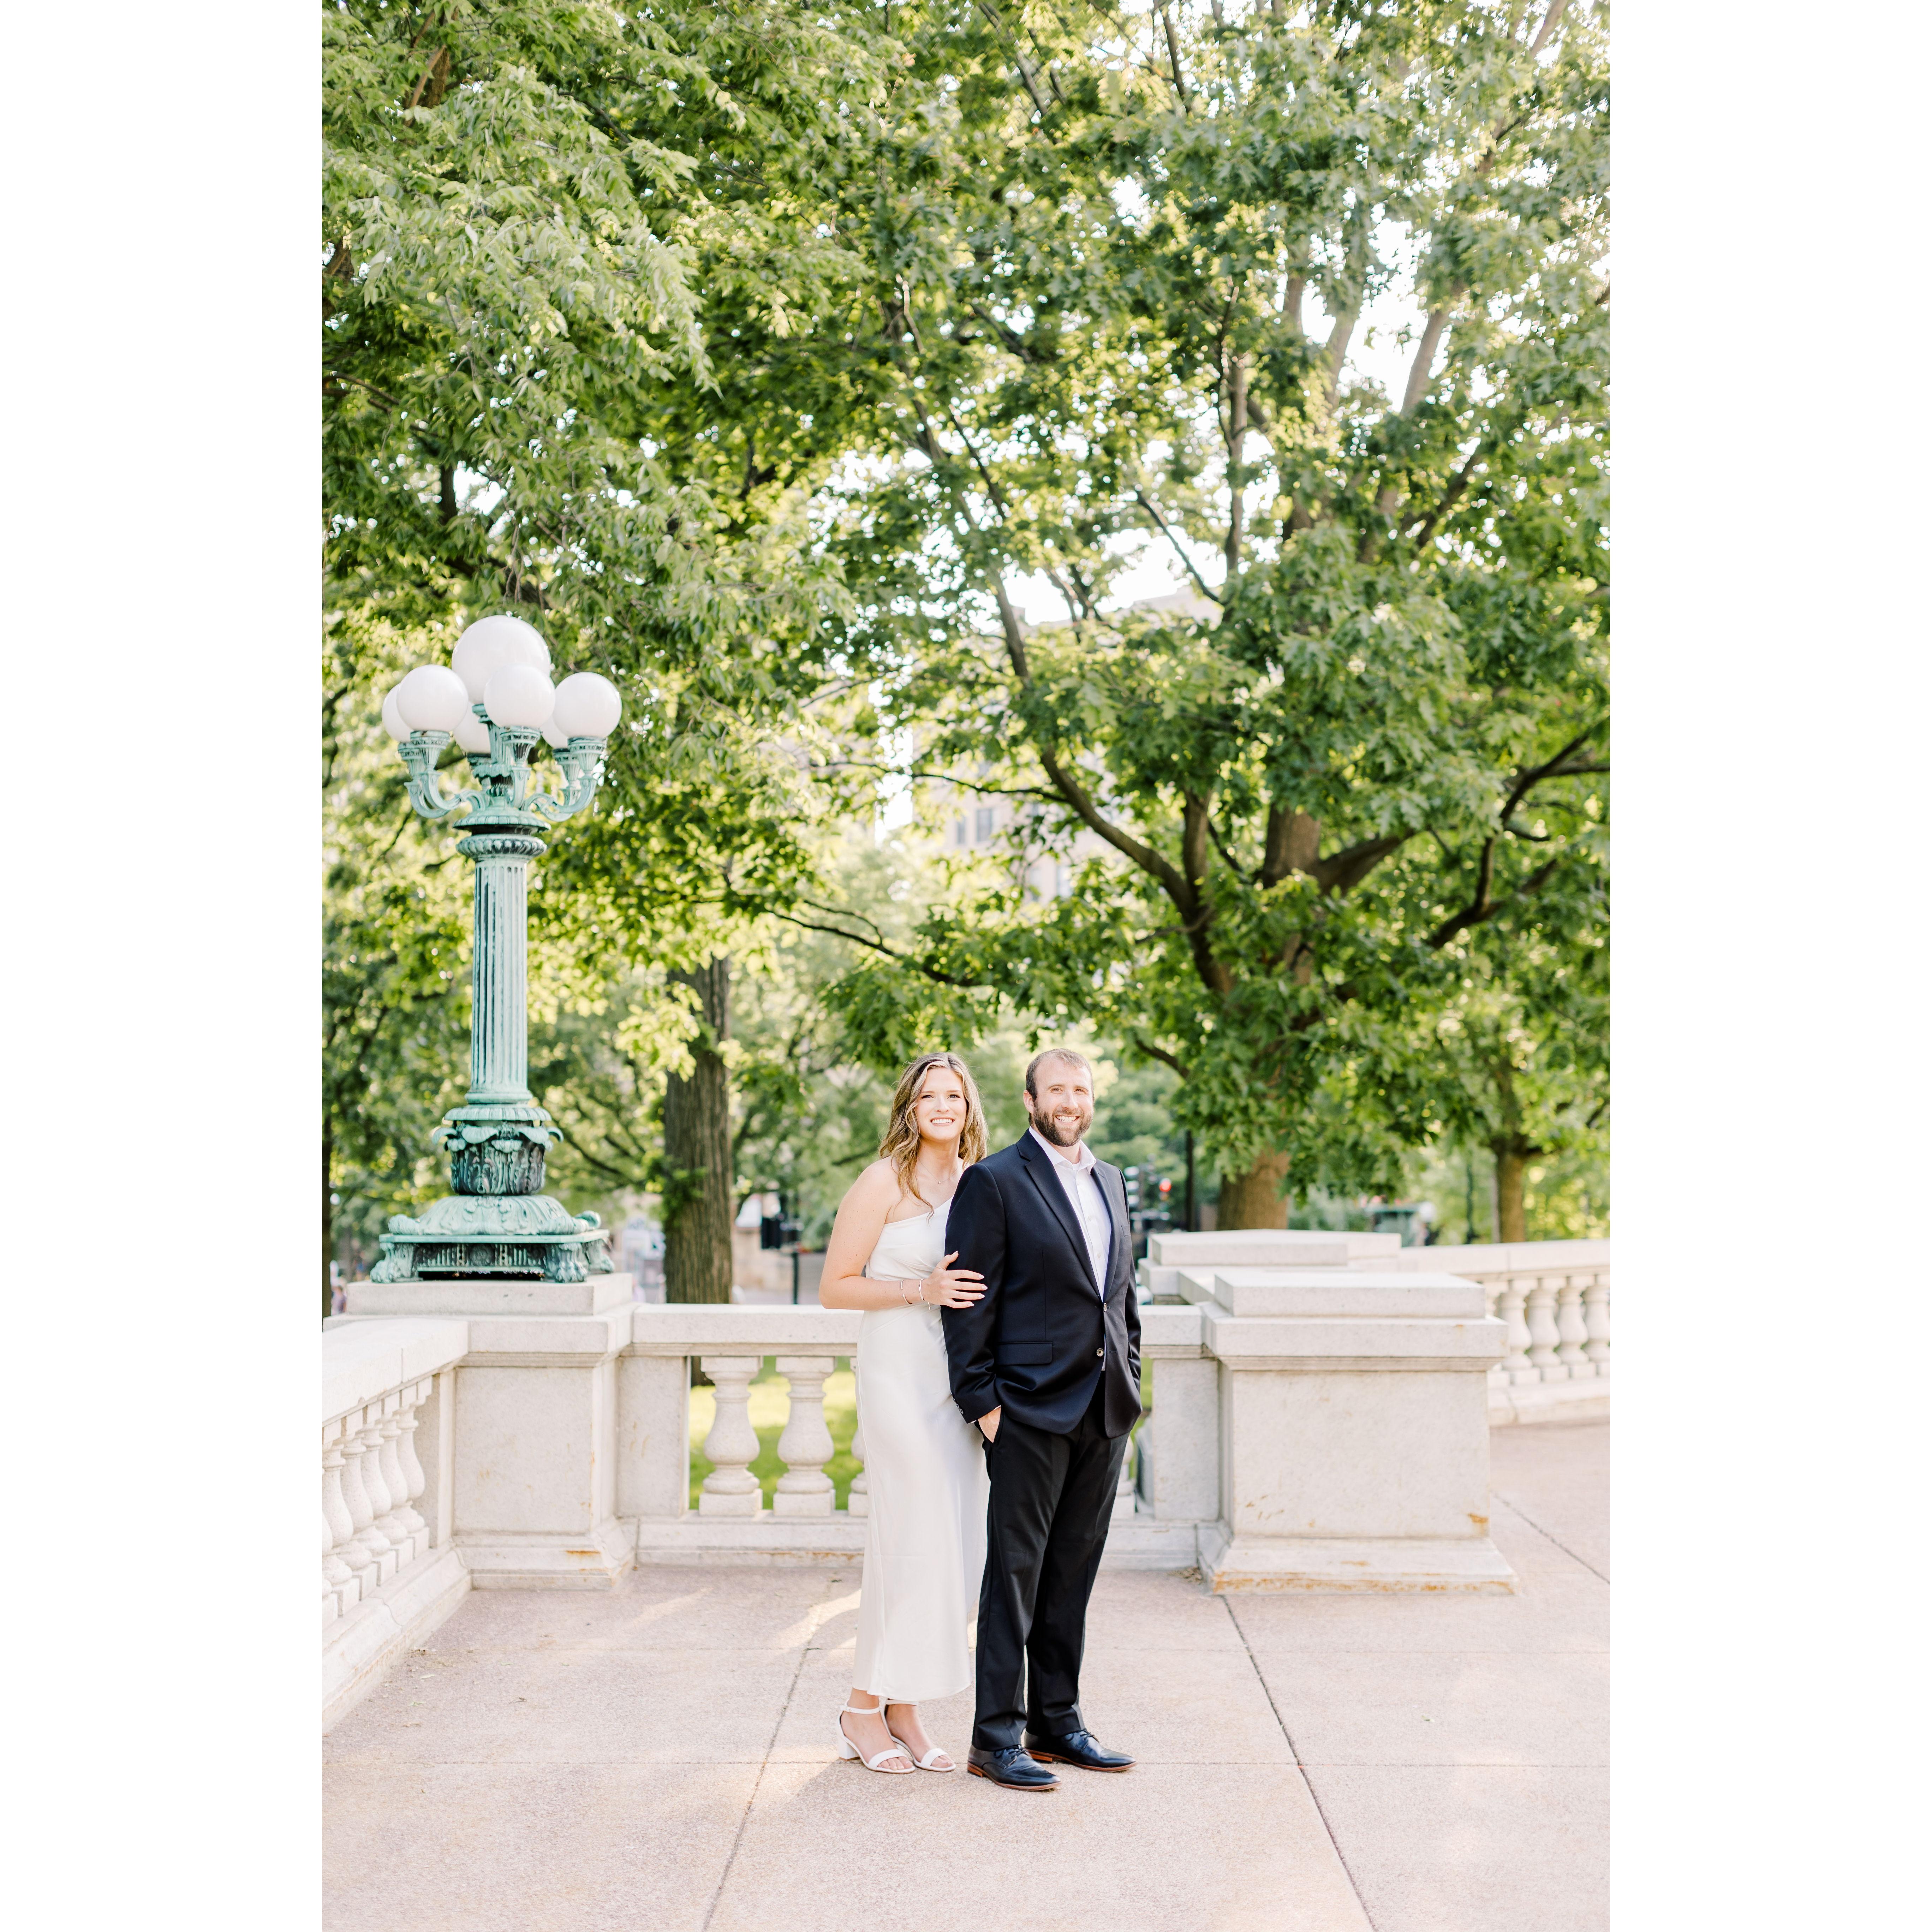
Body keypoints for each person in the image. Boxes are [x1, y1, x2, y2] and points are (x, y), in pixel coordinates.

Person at [941, 1048, 1141, 1792]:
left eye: (1080, 1089)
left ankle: (1056, 1723)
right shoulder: (994, 1181)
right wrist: (984, 1404)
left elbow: (1121, 1297)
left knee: (1072, 1573)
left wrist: (1131, 1378)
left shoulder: (1111, 1181)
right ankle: (995, 1737)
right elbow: (965, 1301)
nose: (1070, 1100)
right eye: (1056, 1089)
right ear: (1030, 1100)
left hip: (1104, 1408)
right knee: (1015, 1576)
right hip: (1025, 1408)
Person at [817, 1052, 992, 1775]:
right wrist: (920, 1290)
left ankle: (904, 1709)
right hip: (896, 1373)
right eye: (930, 1096)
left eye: (954, 1095)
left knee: (955, 1544)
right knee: (911, 1536)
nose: (943, 1106)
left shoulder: (981, 1182)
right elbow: (835, 1287)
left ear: (969, 1106)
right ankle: (863, 1708)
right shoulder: (882, 1180)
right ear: (911, 1108)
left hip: (958, 1382)